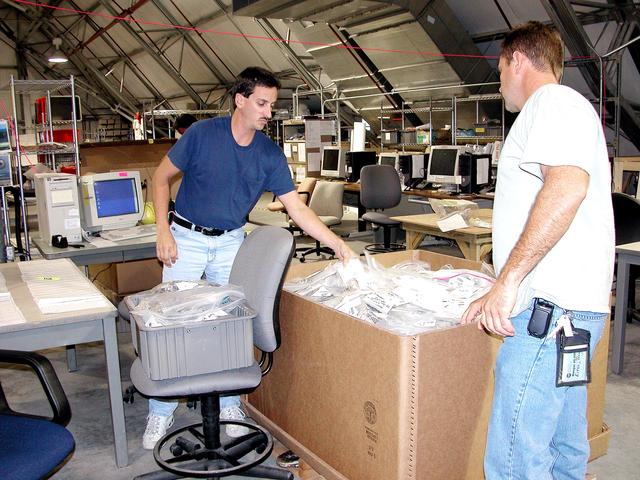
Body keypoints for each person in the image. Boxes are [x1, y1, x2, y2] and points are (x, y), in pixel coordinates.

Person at [145, 66, 355, 450]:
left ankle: (229, 406)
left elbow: (298, 210)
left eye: (272, 106)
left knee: (232, 324)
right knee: (171, 324)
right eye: (261, 103)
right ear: (239, 100)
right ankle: (160, 411)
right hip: (186, 238)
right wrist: (163, 230)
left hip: (229, 241)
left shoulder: (268, 154)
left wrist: (338, 244)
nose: (268, 112)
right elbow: (160, 178)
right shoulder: (201, 136)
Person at [460, 21, 614, 480]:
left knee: (515, 458)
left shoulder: (552, 102)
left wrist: (509, 283)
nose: (501, 80)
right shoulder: (566, 108)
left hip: (549, 314)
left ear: (518, 61)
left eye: (501, 69)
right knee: (564, 444)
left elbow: (566, 188)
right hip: (573, 314)